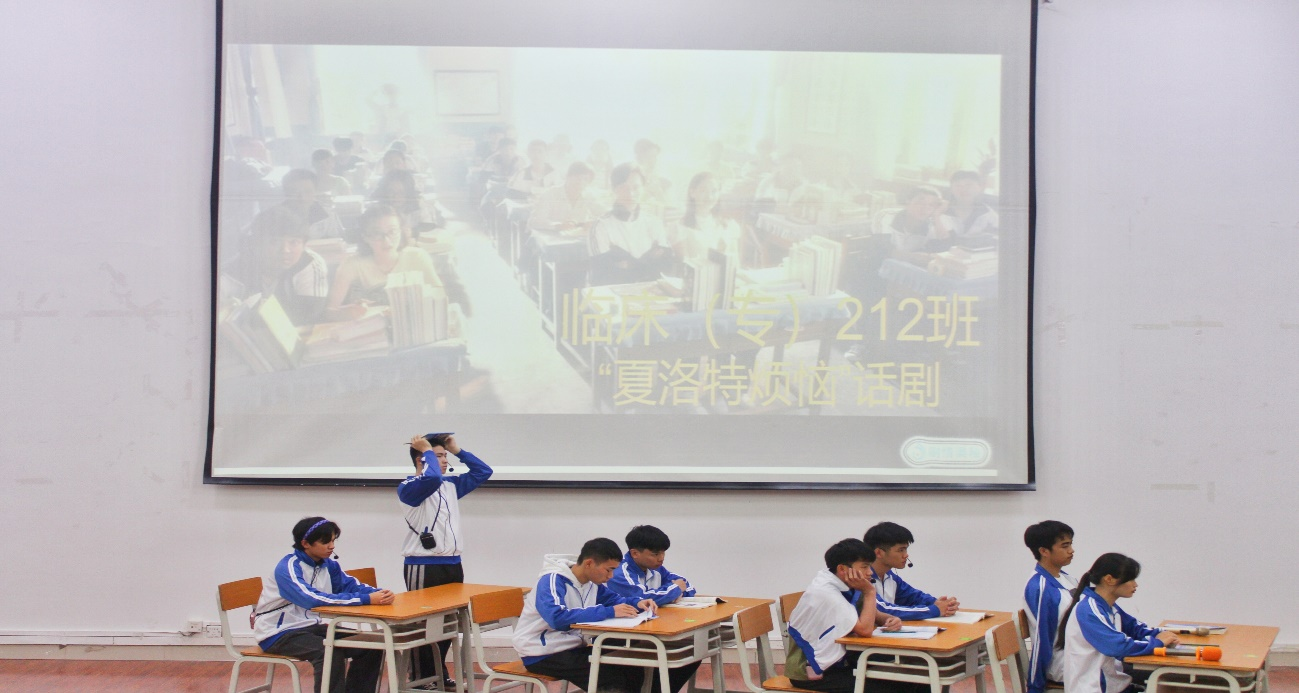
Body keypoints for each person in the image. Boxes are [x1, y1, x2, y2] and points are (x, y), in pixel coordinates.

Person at [513, 538, 700, 693]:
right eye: (608, 570)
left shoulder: (591, 582)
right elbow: (557, 618)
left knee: (632, 668)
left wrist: (637, 603)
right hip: (541, 653)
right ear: (589, 563)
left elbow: (614, 599)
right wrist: (610, 611)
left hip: (573, 647)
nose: (611, 576)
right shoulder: (551, 581)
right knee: (611, 677)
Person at [252, 517, 394, 693]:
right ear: (305, 543)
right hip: (277, 633)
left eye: (333, 541)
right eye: (325, 541)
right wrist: (366, 599)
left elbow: (350, 585)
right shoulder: (287, 568)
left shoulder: (328, 565)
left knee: (370, 646)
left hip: (310, 627)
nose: (331, 546)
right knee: (329, 652)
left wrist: (380, 594)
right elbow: (312, 600)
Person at [399, 432, 494, 689]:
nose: (444, 461)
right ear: (421, 459)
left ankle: (438, 674)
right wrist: (427, 450)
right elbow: (430, 478)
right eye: (438, 456)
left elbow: (483, 471)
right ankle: (420, 680)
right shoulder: (409, 487)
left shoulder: (449, 486)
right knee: (424, 626)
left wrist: (457, 450)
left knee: (447, 626)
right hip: (423, 565)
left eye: (444, 456)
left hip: (452, 563)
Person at [785, 538, 922, 693]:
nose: (870, 572)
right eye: (864, 567)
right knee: (897, 687)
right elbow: (865, 630)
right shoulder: (826, 592)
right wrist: (870, 592)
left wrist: (890, 619)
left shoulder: (847, 585)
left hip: (845, 659)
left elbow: (874, 614)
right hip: (811, 671)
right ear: (842, 569)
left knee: (917, 675)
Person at [1059, 553, 1177, 693]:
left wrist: (1162, 634)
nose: (1135, 584)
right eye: (1130, 579)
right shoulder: (1089, 610)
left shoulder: (1109, 606)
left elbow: (1136, 629)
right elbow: (1118, 646)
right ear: (1109, 579)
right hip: (1094, 688)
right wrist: (1157, 643)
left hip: (1113, 686)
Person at [325, 204, 442, 321]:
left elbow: (440, 297)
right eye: (377, 233)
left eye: (392, 231)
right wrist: (347, 313)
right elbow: (329, 312)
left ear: (401, 231)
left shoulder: (417, 256)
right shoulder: (351, 264)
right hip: (369, 328)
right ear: (365, 237)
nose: (386, 240)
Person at [223, 205, 328, 325]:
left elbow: (310, 315)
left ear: (304, 244)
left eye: (294, 242)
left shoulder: (310, 263)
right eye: (274, 241)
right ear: (256, 244)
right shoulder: (233, 273)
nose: (285, 250)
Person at [588, 163, 673, 285]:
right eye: (624, 187)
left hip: (651, 292)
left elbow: (666, 268)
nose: (631, 194)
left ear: (643, 188)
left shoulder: (654, 223)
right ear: (614, 189)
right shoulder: (601, 226)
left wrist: (627, 265)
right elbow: (602, 276)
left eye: (636, 187)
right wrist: (648, 260)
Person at [863, 522, 959, 621]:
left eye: (905, 549)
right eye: (901, 550)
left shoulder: (890, 577)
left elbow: (913, 597)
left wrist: (942, 604)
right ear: (879, 553)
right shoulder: (861, 578)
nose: (906, 555)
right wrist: (935, 609)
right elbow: (884, 610)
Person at [1023, 520, 1078, 693]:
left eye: (1071, 544)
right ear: (1044, 551)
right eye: (1065, 546)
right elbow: (1042, 640)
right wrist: (1035, 687)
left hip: (1078, 655)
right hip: (1063, 665)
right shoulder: (1041, 588)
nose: (1071, 550)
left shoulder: (1067, 579)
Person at [607, 525, 695, 606]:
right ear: (635, 553)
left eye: (663, 552)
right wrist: (675, 590)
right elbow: (642, 598)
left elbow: (686, 585)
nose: (661, 558)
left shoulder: (655, 568)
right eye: (655, 554)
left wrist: (676, 593)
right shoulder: (618, 572)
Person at [679, 171, 742, 264]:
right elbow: (683, 265)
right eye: (703, 191)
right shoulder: (681, 226)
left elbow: (735, 263)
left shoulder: (729, 225)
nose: (709, 196)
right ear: (692, 193)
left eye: (714, 191)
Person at [888, 186, 953, 267]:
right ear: (908, 201)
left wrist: (936, 216)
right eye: (920, 203)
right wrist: (913, 257)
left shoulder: (933, 226)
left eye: (931, 205)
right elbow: (882, 250)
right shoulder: (887, 216)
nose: (925, 208)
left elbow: (946, 250)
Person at [280, 168, 344, 239]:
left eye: (308, 191)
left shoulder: (328, 214)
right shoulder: (275, 217)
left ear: (316, 191)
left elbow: (338, 241)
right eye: (295, 192)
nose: (302, 198)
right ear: (286, 193)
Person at [945, 170, 998, 239]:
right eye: (958, 186)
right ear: (951, 189)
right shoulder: (942, 210)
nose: (963, 189)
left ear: (980, 187)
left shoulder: (986, 213)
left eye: (968, 185)